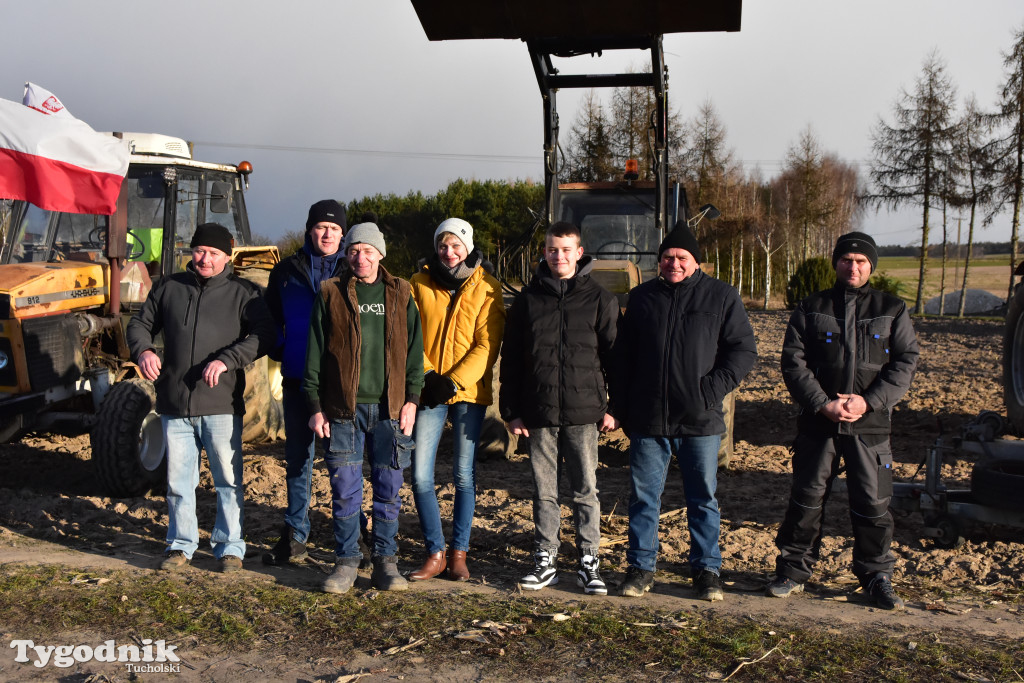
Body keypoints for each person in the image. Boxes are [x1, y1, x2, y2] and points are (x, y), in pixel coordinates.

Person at [768, 232, 919, 610]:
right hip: (819, 425)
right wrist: (822, 404)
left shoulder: (892, 309)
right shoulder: (812, 307)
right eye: (847, 260)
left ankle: (876, 576)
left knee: (874, 502)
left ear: (871, 266)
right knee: (806, 499)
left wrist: (868, 402)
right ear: (836, 263)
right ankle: (792, 570)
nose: (853, 267)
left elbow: (904, 363)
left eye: (861, 261)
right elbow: (793, 362)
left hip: (870, 427)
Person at [613, 219, 756, 601]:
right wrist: (622, 407)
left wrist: (710, 390)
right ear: (659, 260)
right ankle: (640, 569)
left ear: (695, 261)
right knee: (644, 499)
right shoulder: (642, 298)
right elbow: (624, 358)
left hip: (700, 419)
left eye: (681, 257)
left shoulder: (721, 297)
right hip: (648, 419)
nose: (673, 263)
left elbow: (743, 350)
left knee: (702, 499)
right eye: (667, 257)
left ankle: (706, 571)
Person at [127, 222, 276, 573]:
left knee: (228, 481)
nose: (205, 259)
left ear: (227, 256)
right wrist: (144, 350)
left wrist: (228, 360)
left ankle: (230, 548)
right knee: (179, 483)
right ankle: (180, 546)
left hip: (221, 405)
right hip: (175, 404)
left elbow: (265, 335)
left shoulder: (244, 293)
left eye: (213, 253)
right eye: (199, 251)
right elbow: (139, 325)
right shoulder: (169, 287)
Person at [303, 221, 424, 594]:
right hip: (343, 411)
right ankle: (346, 562)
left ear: (380, 254)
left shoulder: (401, 293)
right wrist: (315, 405)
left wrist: (412, 400)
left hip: (390, 411)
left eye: (368, 250)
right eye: (354, 250)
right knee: (345, 490)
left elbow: (415, 353)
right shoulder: (331, 293)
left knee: (389, 489)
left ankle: (386, 562)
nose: (360, 257)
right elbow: (315, 353)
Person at [499, 221, 620, 595]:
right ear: (544, 252)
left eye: (566, 250)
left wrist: (615, 407)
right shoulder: (527, 301)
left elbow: (615, 359)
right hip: (540, 411)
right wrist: (511, 410)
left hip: (585, 413)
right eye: (552, 249)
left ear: (579, 253)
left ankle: (588, 561)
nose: (559, 256)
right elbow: (512, 359)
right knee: (544, 490)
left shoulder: (600, 300)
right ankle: (546, 558)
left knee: (586, 490)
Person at [408, 218, 505, 582]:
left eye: (456, 246)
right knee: (420, 474)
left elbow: (487, 344)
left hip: (468, 392)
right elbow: (410, 335)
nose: (449, 252)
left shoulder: (487, 287)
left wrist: (452, 381)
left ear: (468, 248)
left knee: (464, 474)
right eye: (443, 245)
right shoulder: (418, 284)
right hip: (428, 388)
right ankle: (435, 552)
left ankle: (459, 553)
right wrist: (428, 376)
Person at [262, 199, 346, 566]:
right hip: (297, 378)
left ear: (342, 234)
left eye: (334, 228)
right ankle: (296, 535)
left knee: (342, 462)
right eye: (321, 227)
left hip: (340, 384)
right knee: (298, 459)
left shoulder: (352, 270)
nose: (327, 234)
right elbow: (270, 318)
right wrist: (284, 348)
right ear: (310, 230)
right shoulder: (285, 271)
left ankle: (352, 535)